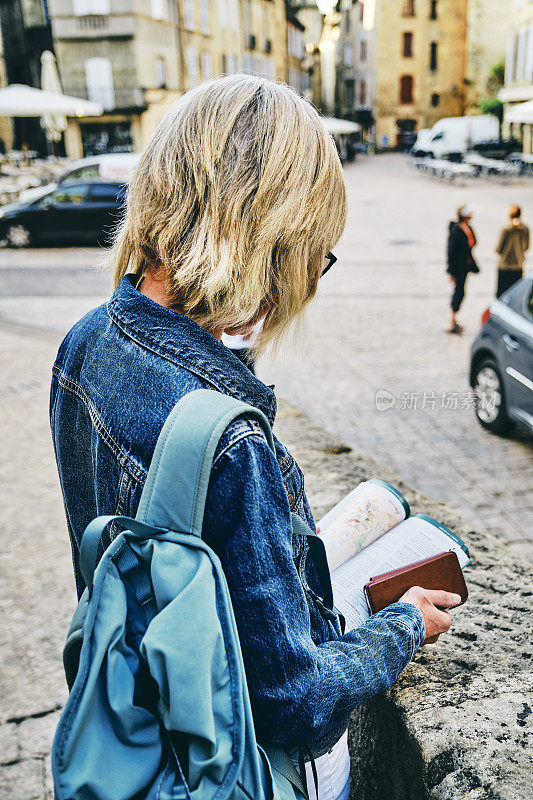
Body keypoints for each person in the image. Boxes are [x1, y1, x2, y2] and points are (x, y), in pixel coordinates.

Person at [50, 76, 460, 800]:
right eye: (313, 258)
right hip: (241, 750)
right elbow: (291, 705)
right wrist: (400, 628)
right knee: (430, 548)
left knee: (375, 504)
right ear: (274, 242)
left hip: (145, 690)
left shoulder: (84, 343)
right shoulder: (228, 440)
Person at [446, 204, 479, 334]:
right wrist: (451, 271)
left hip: (465, 266)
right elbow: (451, 252)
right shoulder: (456, 231)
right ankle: (452, 320)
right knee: (459, 292)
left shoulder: (468, 228)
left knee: (461, 291)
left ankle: (454, 319)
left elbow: (473, 242)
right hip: (458, 267)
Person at [495, 205, 529, 298]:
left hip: (504, 265)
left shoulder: (506, 229)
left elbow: (498, 249)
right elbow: (526, 247)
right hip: (518, 265)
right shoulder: (525, 229)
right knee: (515, 295)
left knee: (501, 295)